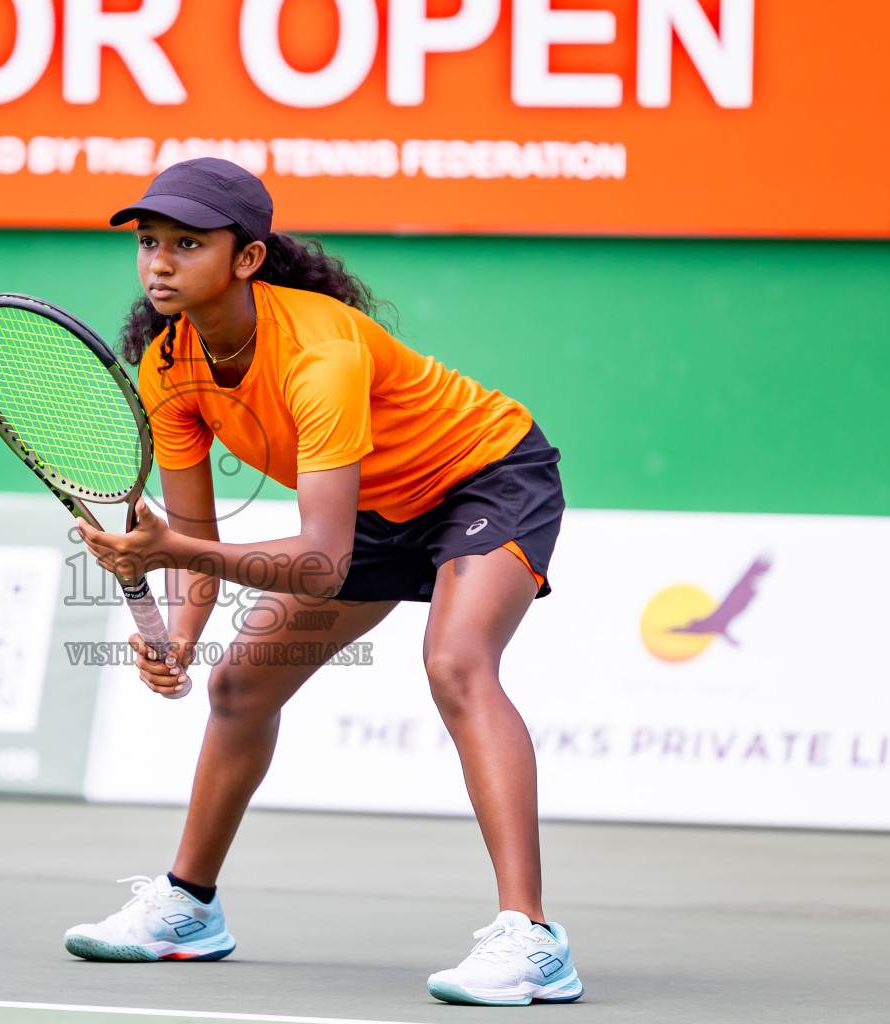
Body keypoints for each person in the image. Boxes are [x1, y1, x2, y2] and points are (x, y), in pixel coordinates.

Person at [68, 158, 580, 1007]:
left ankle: (531, 938)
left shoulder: (321, 352)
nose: (159, 262)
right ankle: (188, 908)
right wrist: (177, 641)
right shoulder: (169, 369)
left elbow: (318, 563)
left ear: (247, 259)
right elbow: (195, 536)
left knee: (456, 664)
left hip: (482, 476)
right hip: (369, 510)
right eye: (149, 243)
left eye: (186, 244)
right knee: (238, 686)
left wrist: (169, 556)